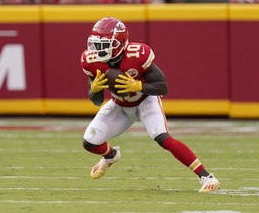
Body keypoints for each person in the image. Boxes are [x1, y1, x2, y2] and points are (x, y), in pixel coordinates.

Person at [80, 17, 220, 192]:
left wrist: (139, 86)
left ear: (120, 43)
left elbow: (163, 86)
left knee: (163, 138)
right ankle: (110, 157)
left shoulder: (137, 55)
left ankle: (207, 177)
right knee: (89, 142)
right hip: (119, 105)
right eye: (97, 44)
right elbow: (97, 101)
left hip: (145, 100)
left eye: (105, 44)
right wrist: (95, 89)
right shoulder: (91, 60)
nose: (99, 49)